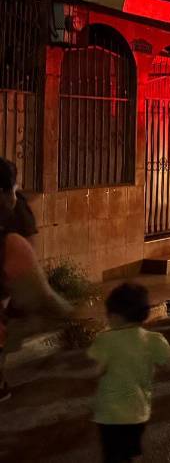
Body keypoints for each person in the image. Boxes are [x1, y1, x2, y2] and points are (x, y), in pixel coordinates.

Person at [88, 282, 170, 463]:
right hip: (136, 413)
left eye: (109, 314)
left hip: (107, 414)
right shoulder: (152, 341)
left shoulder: (105, 339)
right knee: (131, 454)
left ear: (116, 315)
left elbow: (95, 369)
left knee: (111, 456)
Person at [0, 157, 73, 403]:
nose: (16, 193)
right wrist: (71, 313)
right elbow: (42, 295)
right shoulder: (10, 244)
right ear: (3, 193)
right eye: (13, 188)